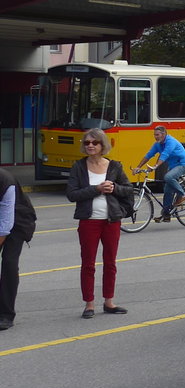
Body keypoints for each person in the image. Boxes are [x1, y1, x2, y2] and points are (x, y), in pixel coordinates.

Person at [66, 129, 135, 318]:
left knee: (110, 262)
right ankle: (89, 304)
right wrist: (96, 189)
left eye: (94, 142)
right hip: (89, 221)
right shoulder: (79, 167)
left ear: (102, 145)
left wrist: (114, 188)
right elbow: (72, 194)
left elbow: (128, 189)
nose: (90, 145)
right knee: (88, 263)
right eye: (87, 142)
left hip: (111, 221)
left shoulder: (114, 166)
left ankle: (109, 302)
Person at [0, 167, 37, 330]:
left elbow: (5, 224)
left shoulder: (5, 180)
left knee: (9, 263)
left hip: (17, 221)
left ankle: (6, 314)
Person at [134, 124, 185, 222]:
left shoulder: (171, 142)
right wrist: (138, 167)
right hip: (173, 167)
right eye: (154, 135)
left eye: (157, 135)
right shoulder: (157, 144)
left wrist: (155, 166)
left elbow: (165, 154)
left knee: (168, 177)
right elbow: (149, 155)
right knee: (167, 190)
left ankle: (183, 195)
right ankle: (166, 215)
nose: (155, 137)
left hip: (183, 164)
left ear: (164, 134)